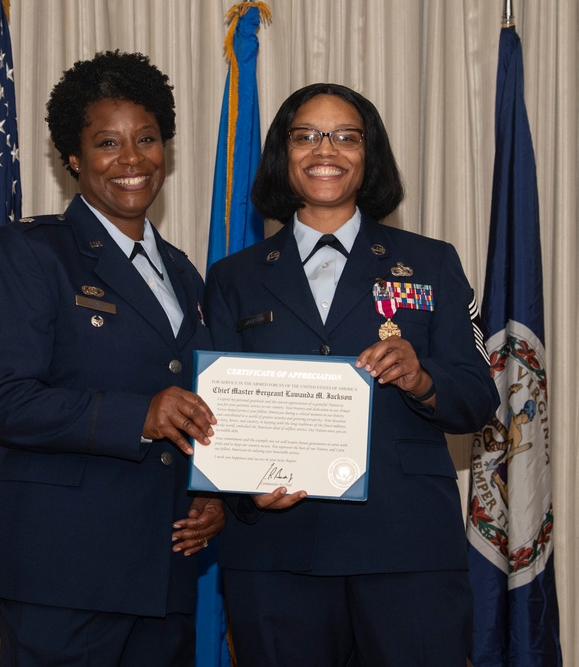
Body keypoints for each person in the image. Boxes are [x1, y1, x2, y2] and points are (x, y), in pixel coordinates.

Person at [204, 83, 500, 666]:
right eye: (306, 135)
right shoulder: (232, 277)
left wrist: (422, 378)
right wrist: (244, 495)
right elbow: (212, 417)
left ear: (369, 155)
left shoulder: (433, 262)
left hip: (405, 548)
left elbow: (478, 398)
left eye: (346, 136)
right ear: (283, 154)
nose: (326, 150)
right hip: (276, 556)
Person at [0, 51, 222, 666]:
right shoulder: (32, 253)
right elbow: (4, 401)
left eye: (147, 138)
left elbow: (204, 404)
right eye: (107, 142)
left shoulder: (186, 274)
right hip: (62, 572)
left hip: (164, 574)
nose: (132, 159)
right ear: (75, 158)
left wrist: (218, 494)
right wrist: (140, 416)